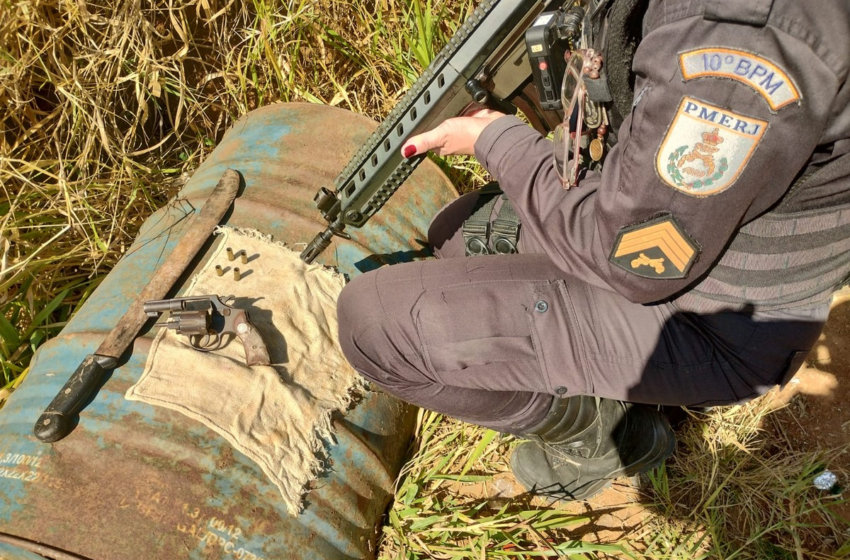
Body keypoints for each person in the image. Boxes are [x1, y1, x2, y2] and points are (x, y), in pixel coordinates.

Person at [336, 0, 850, 500]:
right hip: (691, 250)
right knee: (461, 232)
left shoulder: (743, 33)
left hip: (712, 320)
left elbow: (634, 260)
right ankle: (621, 385)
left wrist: (498, 141)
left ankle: (599, 438)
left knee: (370, 327)